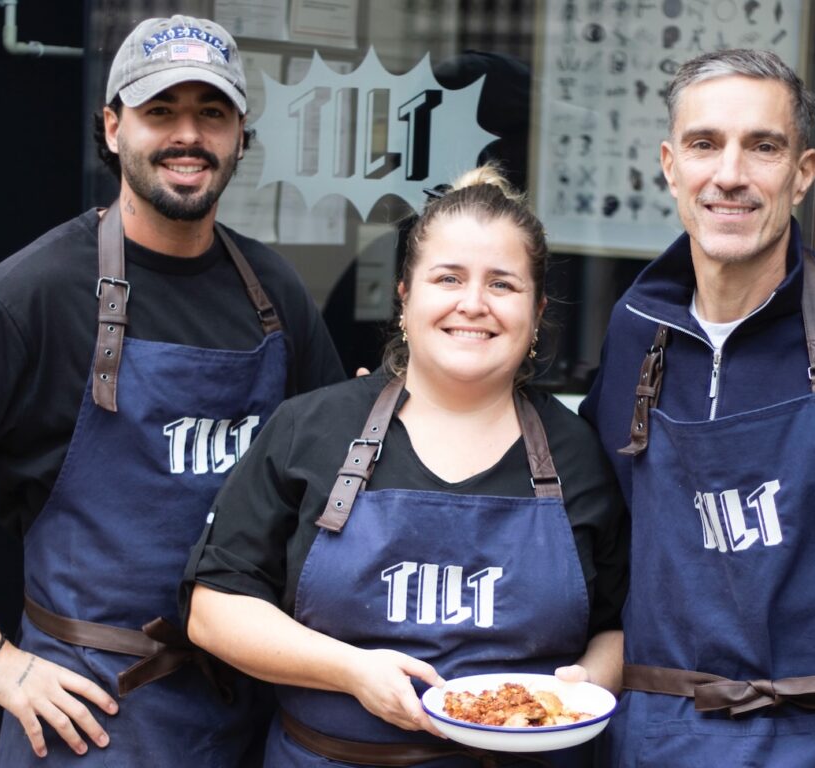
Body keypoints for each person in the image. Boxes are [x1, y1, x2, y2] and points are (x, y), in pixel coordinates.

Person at [0, 14, 343, 767]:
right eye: (160, 111)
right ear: (112, 127)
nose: (188, 135)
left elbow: (333, 484)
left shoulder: (276, 294)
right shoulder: (33, 294)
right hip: (92, 726)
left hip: (249, 718)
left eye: (212, 113)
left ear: (240, 135)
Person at [182, 166, 629, 767]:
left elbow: (621, 625)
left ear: (538, 309)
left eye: (503, 285)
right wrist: (350, 671)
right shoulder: (311, 429)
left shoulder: (578, 453)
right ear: (404, 295)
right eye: (448, 278)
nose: (473, 304)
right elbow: (214, 610)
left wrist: (584, 688)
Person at [579, 49, 815, 766]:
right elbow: (594, 535)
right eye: (705, 144)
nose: (730, 174)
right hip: (655, 743)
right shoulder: (637, 328)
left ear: (803, 173)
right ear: (670, 166)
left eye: (762, 147)